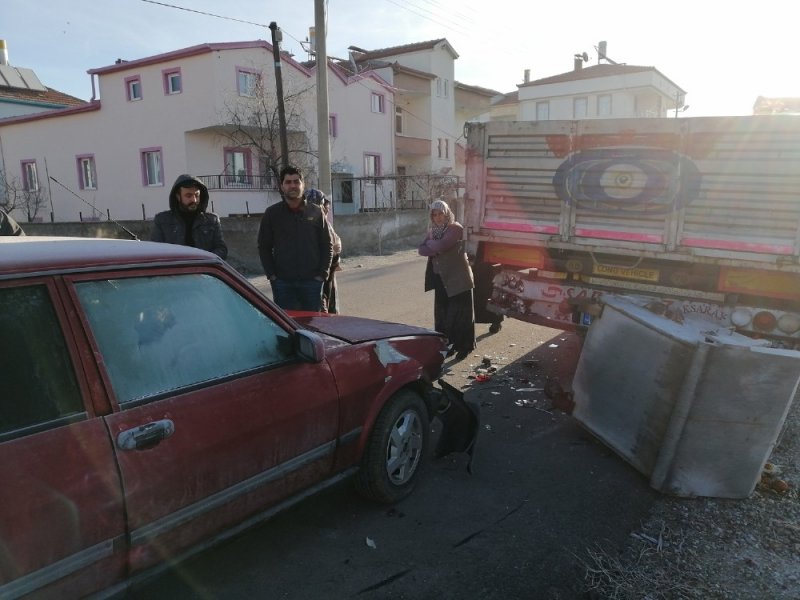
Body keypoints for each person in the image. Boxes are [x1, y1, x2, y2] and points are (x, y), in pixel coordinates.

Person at [258, 166, 333, 312]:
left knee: (313, 326)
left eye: (296, 182)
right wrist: (272, 276)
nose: (293, 185)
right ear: (282, 186)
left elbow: (327, 245)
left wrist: (322, 274)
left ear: (303, 185)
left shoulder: (316, 212)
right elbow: (264, 246)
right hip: (283, 283)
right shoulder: (272, 214)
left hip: (312, 282)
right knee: (286, 327)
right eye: (288, 182)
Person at [418, 200, 476, 361]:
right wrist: (432, 245)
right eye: (434, 215)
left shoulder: (455, 228)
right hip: (440, 278)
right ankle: (448, 345)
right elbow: (420, 250)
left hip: (458, 279)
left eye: (440, 214)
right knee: (444, 315)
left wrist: (431, 245)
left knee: (461, 315)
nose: (437, 217)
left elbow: (441, 246)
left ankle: (464, 347)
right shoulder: (432, 231)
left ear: (447, 213)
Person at [151, 174, 228, 258]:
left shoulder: (212, 220)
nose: (194, 200)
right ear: (178, 196)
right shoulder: (162, 221)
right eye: (188, 195)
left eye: (197, 195)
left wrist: (203, 261)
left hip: (203, 269)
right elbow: (156, 252)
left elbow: (222, 250)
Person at [307, 188, 342, 314]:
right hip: (319, 273)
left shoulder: (323, 223)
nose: (326, 209)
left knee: (328, 303)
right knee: (322, 308)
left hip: (328, 271)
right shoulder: (310, 224)